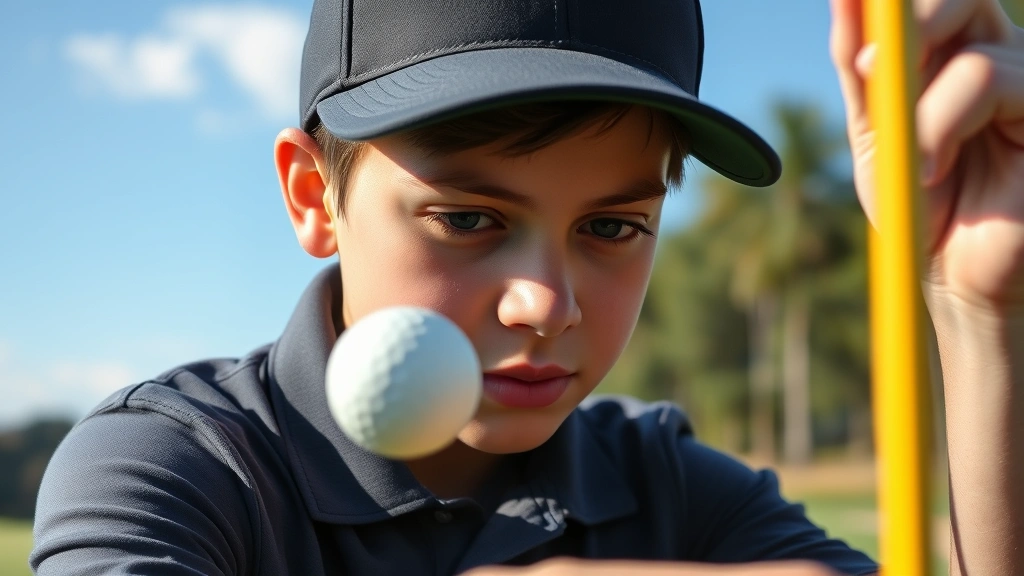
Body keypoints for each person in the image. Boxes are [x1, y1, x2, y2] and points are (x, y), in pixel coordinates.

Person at [28, 0, 1024, 573]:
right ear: (311, 196)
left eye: (611, 227)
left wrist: (981, 318)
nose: (545, 303)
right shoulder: (172, 471)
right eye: (469, 219)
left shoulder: (667, 484)